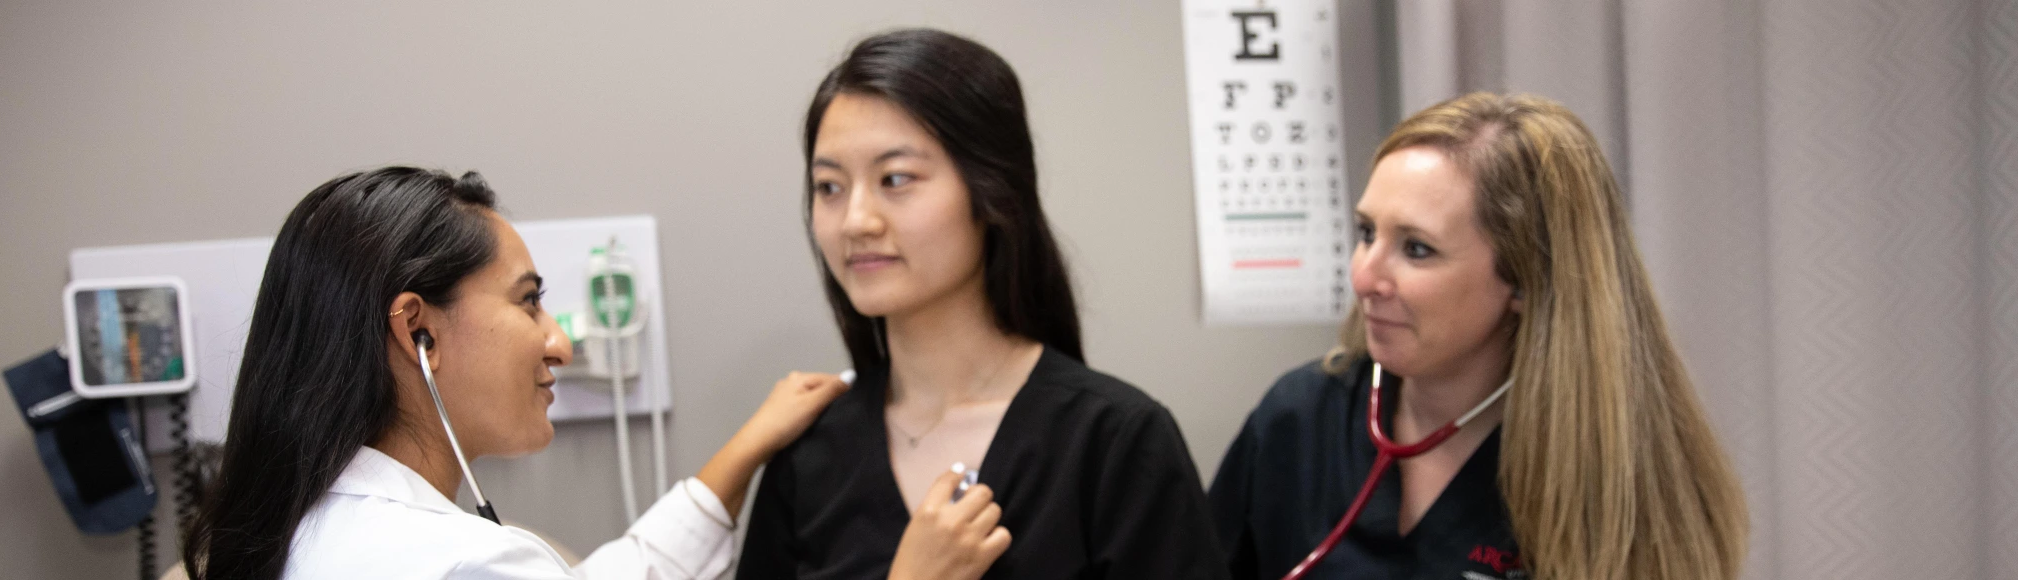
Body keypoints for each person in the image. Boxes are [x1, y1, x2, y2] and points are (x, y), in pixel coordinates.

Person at [179, 167, 1009, 579]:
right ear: (416, 329)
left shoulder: (298, 532)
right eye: (529, 301)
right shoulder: (453, 563)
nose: (560, 343)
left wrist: (740, 454)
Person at [737, 29, 1227, 580]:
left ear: (992, 191)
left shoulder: (1114, 441)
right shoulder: (810, 456)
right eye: (829, 187)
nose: (855, 221)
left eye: (895, 179)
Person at [1207, 92, 1749, 580]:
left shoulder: (1613, 477)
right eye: (1367, 233)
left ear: (1525, 280)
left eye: (1416, 248)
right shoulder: (1298, 420)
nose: (1364, 277)